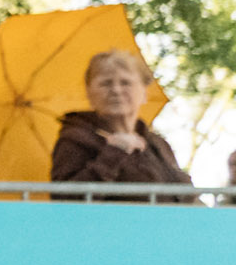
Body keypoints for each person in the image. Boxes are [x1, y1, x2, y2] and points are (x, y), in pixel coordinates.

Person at [46, 48, 188, 195]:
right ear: (88, 93)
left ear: (145, 93)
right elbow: (65, 198)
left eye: (125, 83)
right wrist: (113, 153)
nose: (116, 90)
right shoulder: (76, 139)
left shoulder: (157, 144)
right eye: (106, 83)